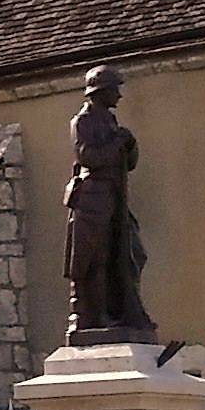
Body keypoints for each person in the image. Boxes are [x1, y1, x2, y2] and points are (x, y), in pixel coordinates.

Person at [61, 63, 151, 345]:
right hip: (93, 198)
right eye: (114, 89)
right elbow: (88, 157)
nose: (119, 96)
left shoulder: (110, 122)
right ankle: (95, 316)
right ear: (99, 91)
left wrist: (130, 145)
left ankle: (125, 311)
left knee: (132, 254)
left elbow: (128, 163)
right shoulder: (83, 122)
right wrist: (116, 143)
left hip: (114, 197)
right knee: (95, 258)